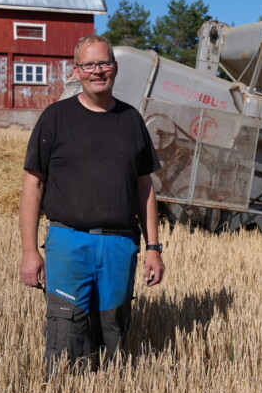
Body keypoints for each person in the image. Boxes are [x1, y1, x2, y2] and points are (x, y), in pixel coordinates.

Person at [18, 34, 165, 375]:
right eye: (89, 64)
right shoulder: (55, 118)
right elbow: (33, 185)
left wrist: (153, 248)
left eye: (104, 63)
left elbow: (146, 189)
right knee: (65, 333)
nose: (97, 71)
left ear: (115, 68)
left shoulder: (132, 121)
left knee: (113, 331)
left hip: (119, 245)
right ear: (76, 71)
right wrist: (29, 250)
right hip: (68, 242)